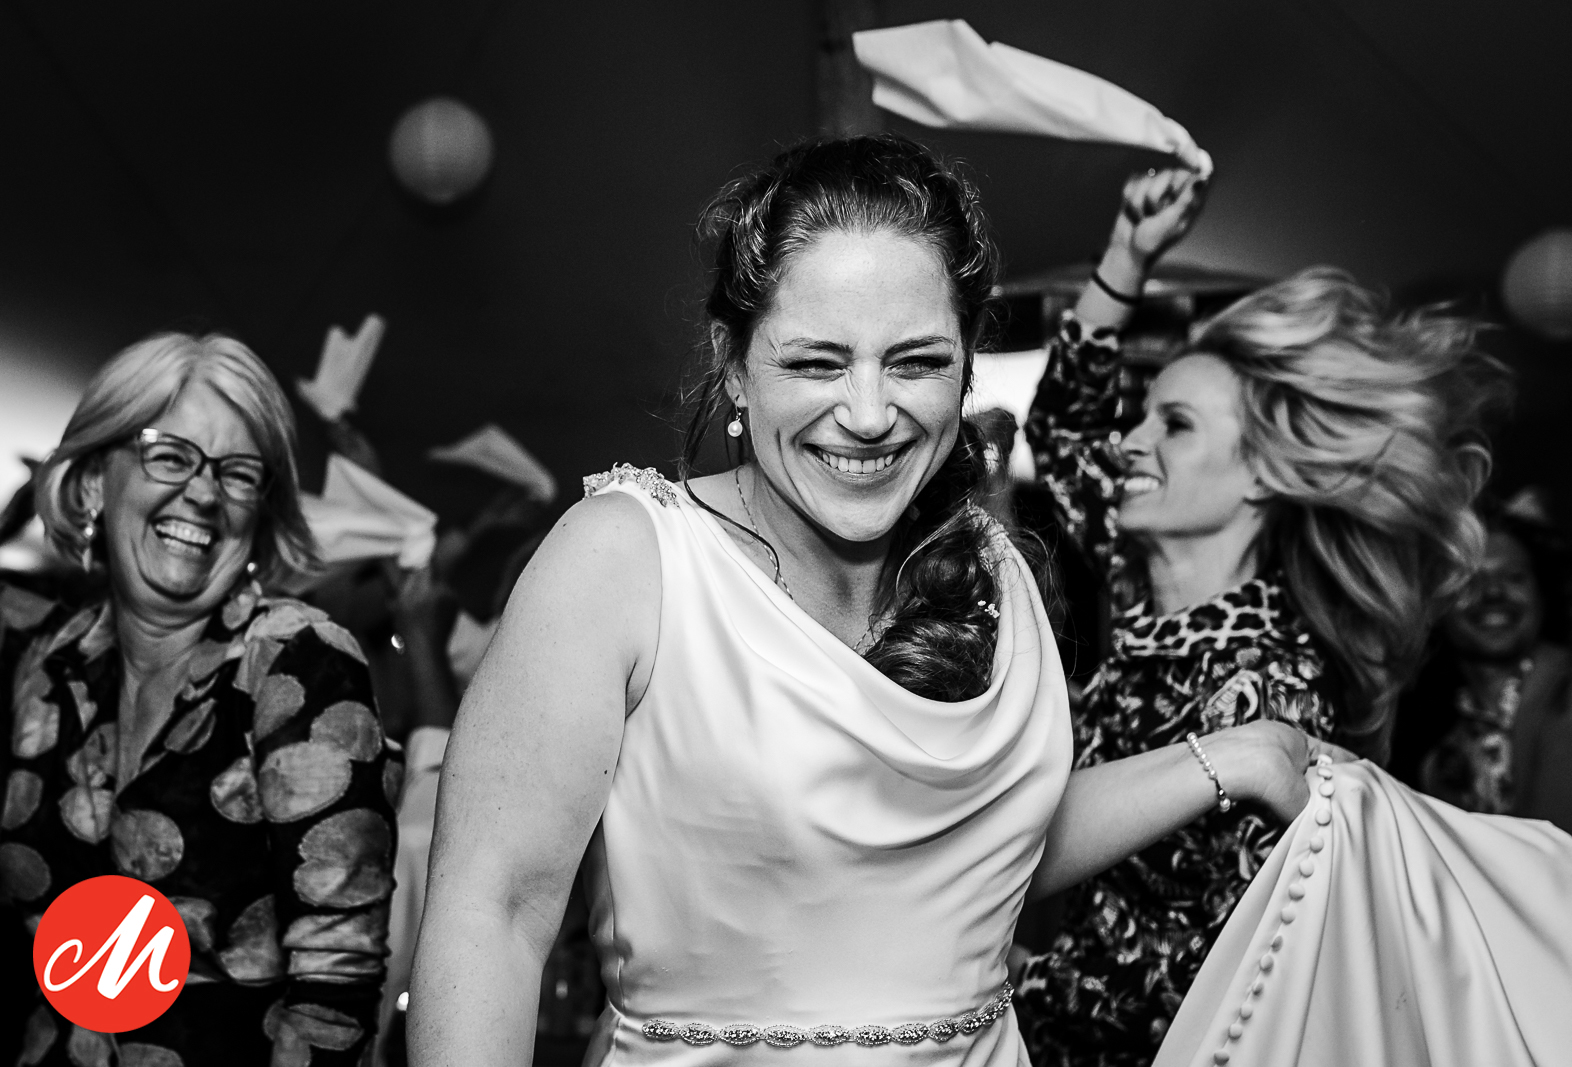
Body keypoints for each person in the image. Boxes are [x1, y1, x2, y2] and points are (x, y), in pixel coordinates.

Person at [406, 134, 1343, 1067]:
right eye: (817, 363)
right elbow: (496, 912)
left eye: (916, 361)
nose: (867, 413)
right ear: (733, 364)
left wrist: (1227, 757)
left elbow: (984, 855)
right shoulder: (627, 558)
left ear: (967, 364)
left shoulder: (993, 570)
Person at [1014, 170, 1506, 1066]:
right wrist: (1127, 255)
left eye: (1174, 424)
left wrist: (1023, 988)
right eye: (1141, 415)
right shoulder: (1141, 578)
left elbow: (1223, 976)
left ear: (1264, 474)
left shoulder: (1261, 689)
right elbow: (1060, 432)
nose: (1130, 441)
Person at [0, 333, 401, 1065]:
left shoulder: (294, 661)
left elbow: (334, 980)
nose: (205, 492)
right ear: (92, 483)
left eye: (239, 473)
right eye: (170, 455)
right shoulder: (45, 665)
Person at [1391, 498, 1572, 862]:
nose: (1493, 593)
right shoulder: (1429, 750)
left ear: (1542, 592)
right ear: (1435, 605)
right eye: (1468, 581)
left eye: (1514, 577)